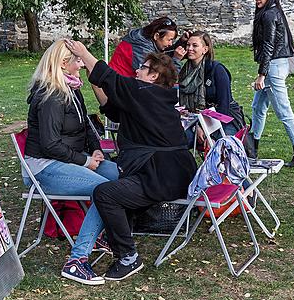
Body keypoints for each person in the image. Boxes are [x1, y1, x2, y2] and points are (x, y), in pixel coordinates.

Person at [66, 40, 198, 282]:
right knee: (115, 186)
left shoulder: (148, 94)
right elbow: (112, 108)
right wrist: (95, 80)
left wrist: (83, 53)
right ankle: (118, 241)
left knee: (105, 193)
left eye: (142, 67)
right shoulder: (150, 97)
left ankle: (128, 256)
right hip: (163, 171)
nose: (136, 70)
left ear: (153, 76)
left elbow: (113, 80)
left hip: (164, 175)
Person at [24, 40, 120, 285]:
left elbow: (86, 124)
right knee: (104, 191)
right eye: (78, 60)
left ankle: (98, 233)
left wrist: (96, 150)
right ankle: (77, 261)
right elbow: (50, 145)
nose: (82, 64)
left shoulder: (72, 88)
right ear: (63, 64)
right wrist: (85, 161)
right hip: (44, 168)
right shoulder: (51, 95)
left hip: (69, 160)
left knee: (121, 176)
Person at [249, 0, 294, 166]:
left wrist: (262, 75)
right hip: (275, 65)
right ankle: (252, 148)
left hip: (273, 67)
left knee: (283, 110)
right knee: (258, 108)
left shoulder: (269, 14)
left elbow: (268, 45)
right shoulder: (273, 12)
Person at [178, 30, 240, 136]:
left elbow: (223, 105)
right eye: (188, 45)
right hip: (193, 118)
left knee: (220, 144)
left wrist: (204, 128)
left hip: (222, 119)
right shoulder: (185, 71)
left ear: (205, 49)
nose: (190, 49)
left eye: (195, 45)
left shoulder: (217, 70)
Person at [108, 16, 185, 78]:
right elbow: (159, 78)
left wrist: (182, 43)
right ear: (156, 36)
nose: (171, 44)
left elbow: (163, 53)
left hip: (122, 83)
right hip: (117, 88)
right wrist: (176, 60)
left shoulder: (144, 40)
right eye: (169, 40)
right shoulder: (141, 49)